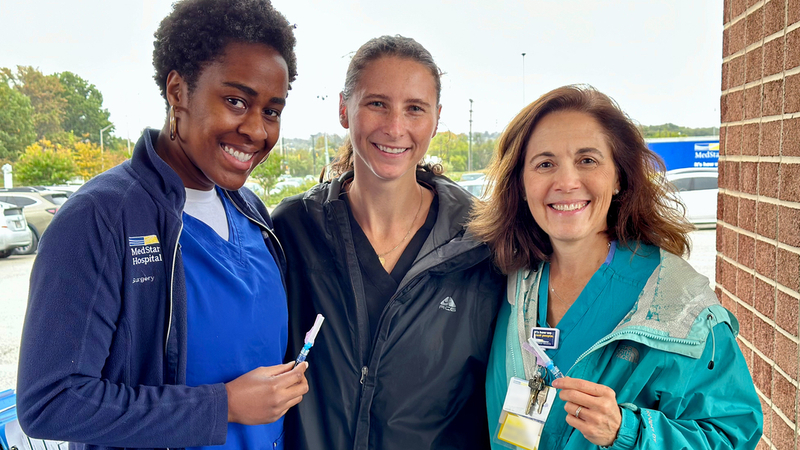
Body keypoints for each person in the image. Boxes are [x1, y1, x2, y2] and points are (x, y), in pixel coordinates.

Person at [16, 1, 308, 449]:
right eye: (235, 101)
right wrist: (222, 406)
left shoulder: (251, 212)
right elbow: (50, 401)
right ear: (177, 91)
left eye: (271, 110)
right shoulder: (102, 217)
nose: (256, 129)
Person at [470, 85, 763, 449]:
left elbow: (733, 435)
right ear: (522, 183)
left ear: (619, 177)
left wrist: (628, 431)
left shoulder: (679, 305)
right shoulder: (510, 280)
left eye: (587, 160)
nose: (565, 182)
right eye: (545, 164)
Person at [272, 35, 504, 449]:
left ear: (435, 119)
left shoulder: (482, 239)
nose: (395, 128)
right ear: (345, 110)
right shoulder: (293, 229)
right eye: (377, 103)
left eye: (414, 108)